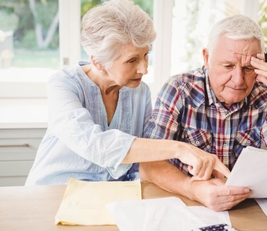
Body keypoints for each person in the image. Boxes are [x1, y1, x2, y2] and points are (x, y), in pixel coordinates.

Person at [25, 0, 230, 186]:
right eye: (132, 60)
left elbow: (142, 160)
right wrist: (181, 149)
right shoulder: (63, 85)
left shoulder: (139, 92)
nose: (144, 69)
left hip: (110, 197)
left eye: (146, 55)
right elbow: (94, 144)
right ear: (98, 61)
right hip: (54, 191)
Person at [140, 14, 267, 211]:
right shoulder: (179, 89)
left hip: (245, 208)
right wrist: (193, 189)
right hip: (185, 203)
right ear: (207, 58)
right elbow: (148, 164)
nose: (238, 80)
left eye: (248, 68)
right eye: (228, 66)